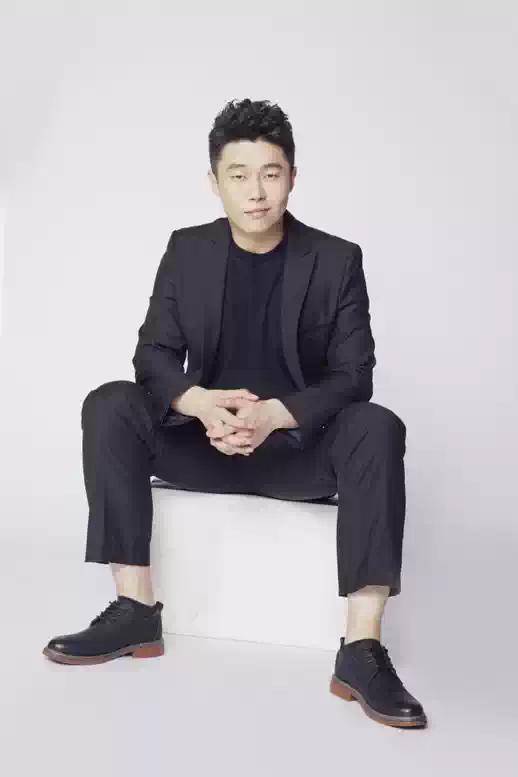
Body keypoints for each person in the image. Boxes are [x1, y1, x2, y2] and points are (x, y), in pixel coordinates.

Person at [43, 98, 427, 729]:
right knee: (110, 402)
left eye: (270, 174)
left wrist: (276, 414)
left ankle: (361, 649)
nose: (256, 192)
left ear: (292, 178)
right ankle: (135, 610)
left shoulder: (337, 259)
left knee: (377, 425)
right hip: (205, 444)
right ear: (214, 181)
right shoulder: (187, 249)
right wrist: (199, 404)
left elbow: (353, 375)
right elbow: (153, 356)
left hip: (295, 456)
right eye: (239, 175)